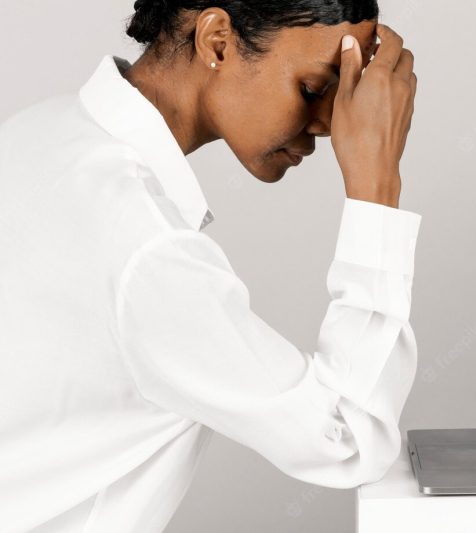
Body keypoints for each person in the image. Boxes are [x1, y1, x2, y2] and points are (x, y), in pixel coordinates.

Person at [0, 1, 420, 531]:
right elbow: (350, 439)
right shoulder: (147, 249)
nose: (330, 125)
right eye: (316, 89)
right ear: (217, 40)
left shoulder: (38, 133)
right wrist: (376, 187)